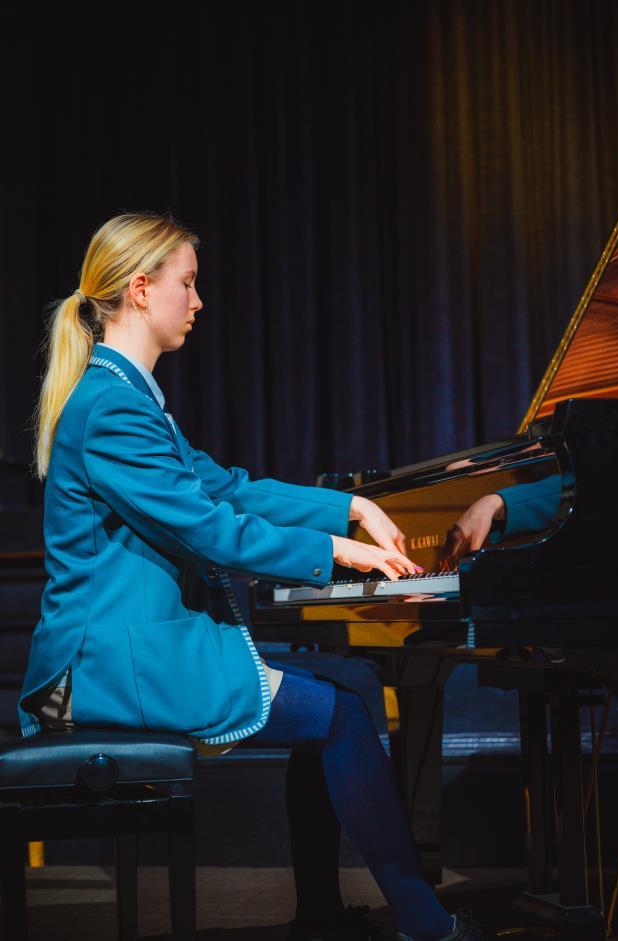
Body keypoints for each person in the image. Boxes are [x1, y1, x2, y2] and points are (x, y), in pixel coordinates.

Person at [19, 210, 485, 941]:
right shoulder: (110, 408)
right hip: (108, 663)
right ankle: (426, 924)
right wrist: (338, 551)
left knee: (346, 692)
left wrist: (352, 507)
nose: (198, 300)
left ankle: (323, 914)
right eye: (187, 283)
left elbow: (229, 488)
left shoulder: (130, 399)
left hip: (135, 649)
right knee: (341, 713)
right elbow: (209, 529)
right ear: (140, 289)